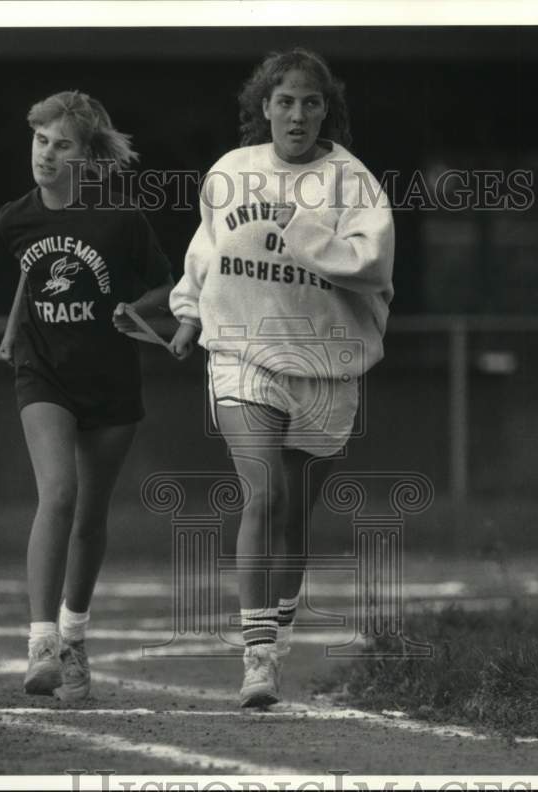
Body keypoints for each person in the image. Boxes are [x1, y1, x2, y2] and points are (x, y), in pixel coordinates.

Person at [169, 49, 395, 707]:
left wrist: (297, 227)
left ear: (327, 109)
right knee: (262, 495)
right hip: (242, 352)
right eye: (285, 101)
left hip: (325, 364)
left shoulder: (353, 186)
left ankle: (283, 609)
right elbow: (204, 254)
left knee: (294, 514)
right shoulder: (230, 175)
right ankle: (259, 659)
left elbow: (369, 267)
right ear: (262, 106)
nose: (297, 114)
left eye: (311, 102)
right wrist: (186, 314)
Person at [0, 90, 173, 700]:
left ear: (86, 155)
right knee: (60, 494)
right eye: (40, 140)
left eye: (61, 144)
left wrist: (136, 307)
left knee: (91, 517)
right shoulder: (13, 218)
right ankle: (41, 644)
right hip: (42, 374)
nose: (46, 154)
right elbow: (32, 278)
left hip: (111, 381)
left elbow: (166, 287)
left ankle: (74, 638)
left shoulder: (121, 221)